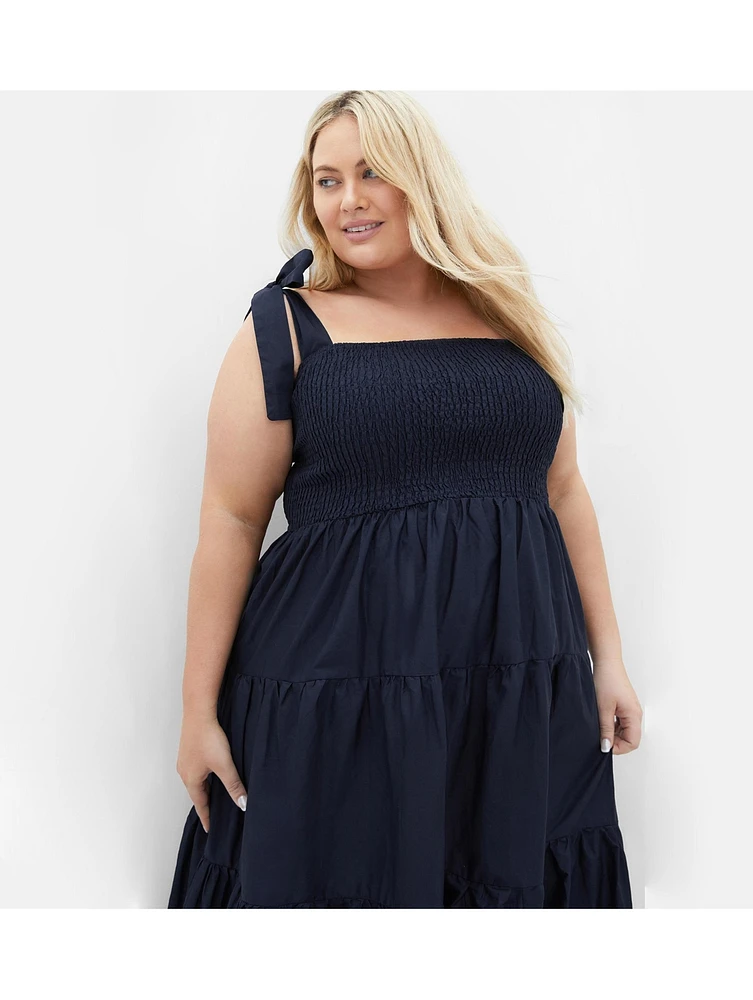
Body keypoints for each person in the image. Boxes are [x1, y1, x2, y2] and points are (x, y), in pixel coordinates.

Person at [168, 89, 642, 909]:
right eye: (326, 180)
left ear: (421, 178)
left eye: (372, 173)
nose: (347, 200)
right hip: (339, 692)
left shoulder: (505, 313)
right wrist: (196, 710)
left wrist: (610, 661)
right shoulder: (286, 325)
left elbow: (562, 489)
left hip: (513, 683)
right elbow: (232, 519)